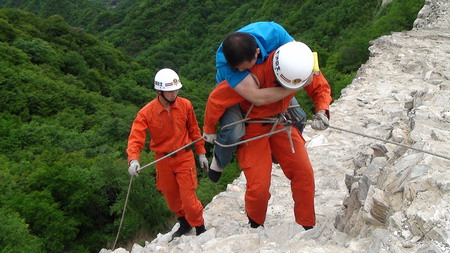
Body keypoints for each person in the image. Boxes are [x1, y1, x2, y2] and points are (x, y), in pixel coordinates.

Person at [203, 41, 332, 230]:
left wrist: (322, 110)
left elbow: (319, 87)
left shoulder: (301, 64)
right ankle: (256, 224)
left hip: (282, 123)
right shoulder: (251, 76)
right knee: (259, 187)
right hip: (254, 128)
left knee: (304, 173)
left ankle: (307, 225)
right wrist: (209, 130)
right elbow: (217, 99)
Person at [204, 21, 308, 183]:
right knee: (233, 131)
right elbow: (257, 97)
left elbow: (298, 58)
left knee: (299, 116)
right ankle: (219, 162)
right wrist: (296, 86)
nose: (240, 70)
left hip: (268, 79)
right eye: (237, 68)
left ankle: (279, 152)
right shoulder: (225, 61)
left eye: (244, 67)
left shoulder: (275, 33)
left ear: (257, 53)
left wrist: (298, 80)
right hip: (236, 89)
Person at [126, 68, 209, 239]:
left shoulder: (185, 105)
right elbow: (136, 136)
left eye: (176, 90)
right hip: (163, 159)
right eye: (170, 91)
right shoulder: (147, 112)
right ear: (159, 91)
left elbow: (194, 129)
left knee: (189, 199)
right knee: (172, 199)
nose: (174, 94)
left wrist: (201, 152)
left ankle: (200, 227)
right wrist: (133, 159)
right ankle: (184, 223)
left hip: (184, 156)